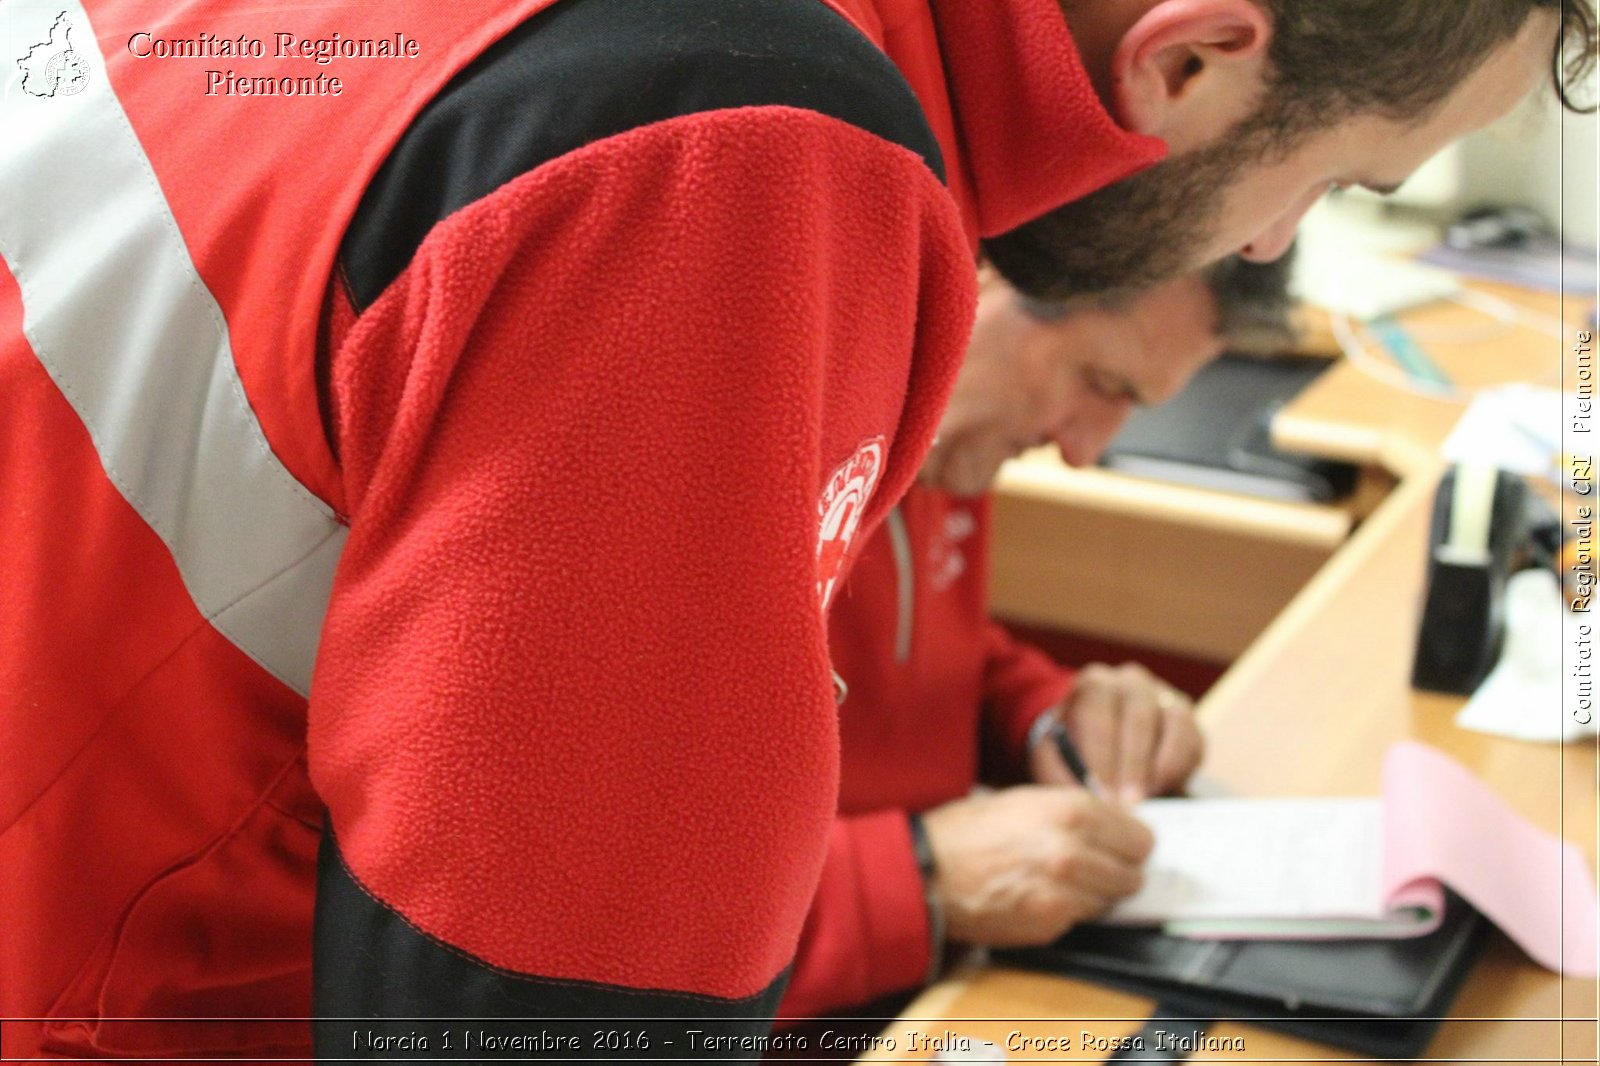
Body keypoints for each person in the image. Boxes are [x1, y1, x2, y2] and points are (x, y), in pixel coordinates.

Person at [0, 0, 1588, 1060]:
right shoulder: (749, 144)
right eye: (1337, 182)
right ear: (1190, 59)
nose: (1271, 239)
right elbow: (540, 1023)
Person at [779, 260, 1292, 1019]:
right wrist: (921, 878)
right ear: (982, 277)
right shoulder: (740, 471)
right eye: (1100, 381)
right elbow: (601, 931)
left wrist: (1044, 713)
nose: (1084, 449)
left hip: (927, 992)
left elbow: (912, 659)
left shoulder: (941, 447)